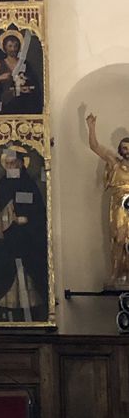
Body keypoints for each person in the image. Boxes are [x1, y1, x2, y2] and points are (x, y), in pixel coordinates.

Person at [0, 146, 47, 321]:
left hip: (26, 238)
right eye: (8, 164)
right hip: (7, 242)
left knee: (27, 277)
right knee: (6, 273)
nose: (11, 167)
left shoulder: (29, 185)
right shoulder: (1, 185)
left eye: (14, 163)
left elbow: (38, 211)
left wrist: (25, 219)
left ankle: (31, 314)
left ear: (21, 164)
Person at [86, 113, 129, 288]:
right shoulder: (114, 163)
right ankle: (116, 274)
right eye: (124, 148)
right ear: (120, 150)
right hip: (120, 204)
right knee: (119, 239)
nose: (127, 151)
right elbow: (95, 146)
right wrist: (91, 127)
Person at [0, 31, 42, 115]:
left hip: (23, 100)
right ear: (5, 47)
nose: (13, 49)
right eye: (10, 46)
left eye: (15, 46)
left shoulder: (24, 63)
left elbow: (33, 82)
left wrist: (27, 88)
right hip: (7, 101)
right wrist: (0, 78)